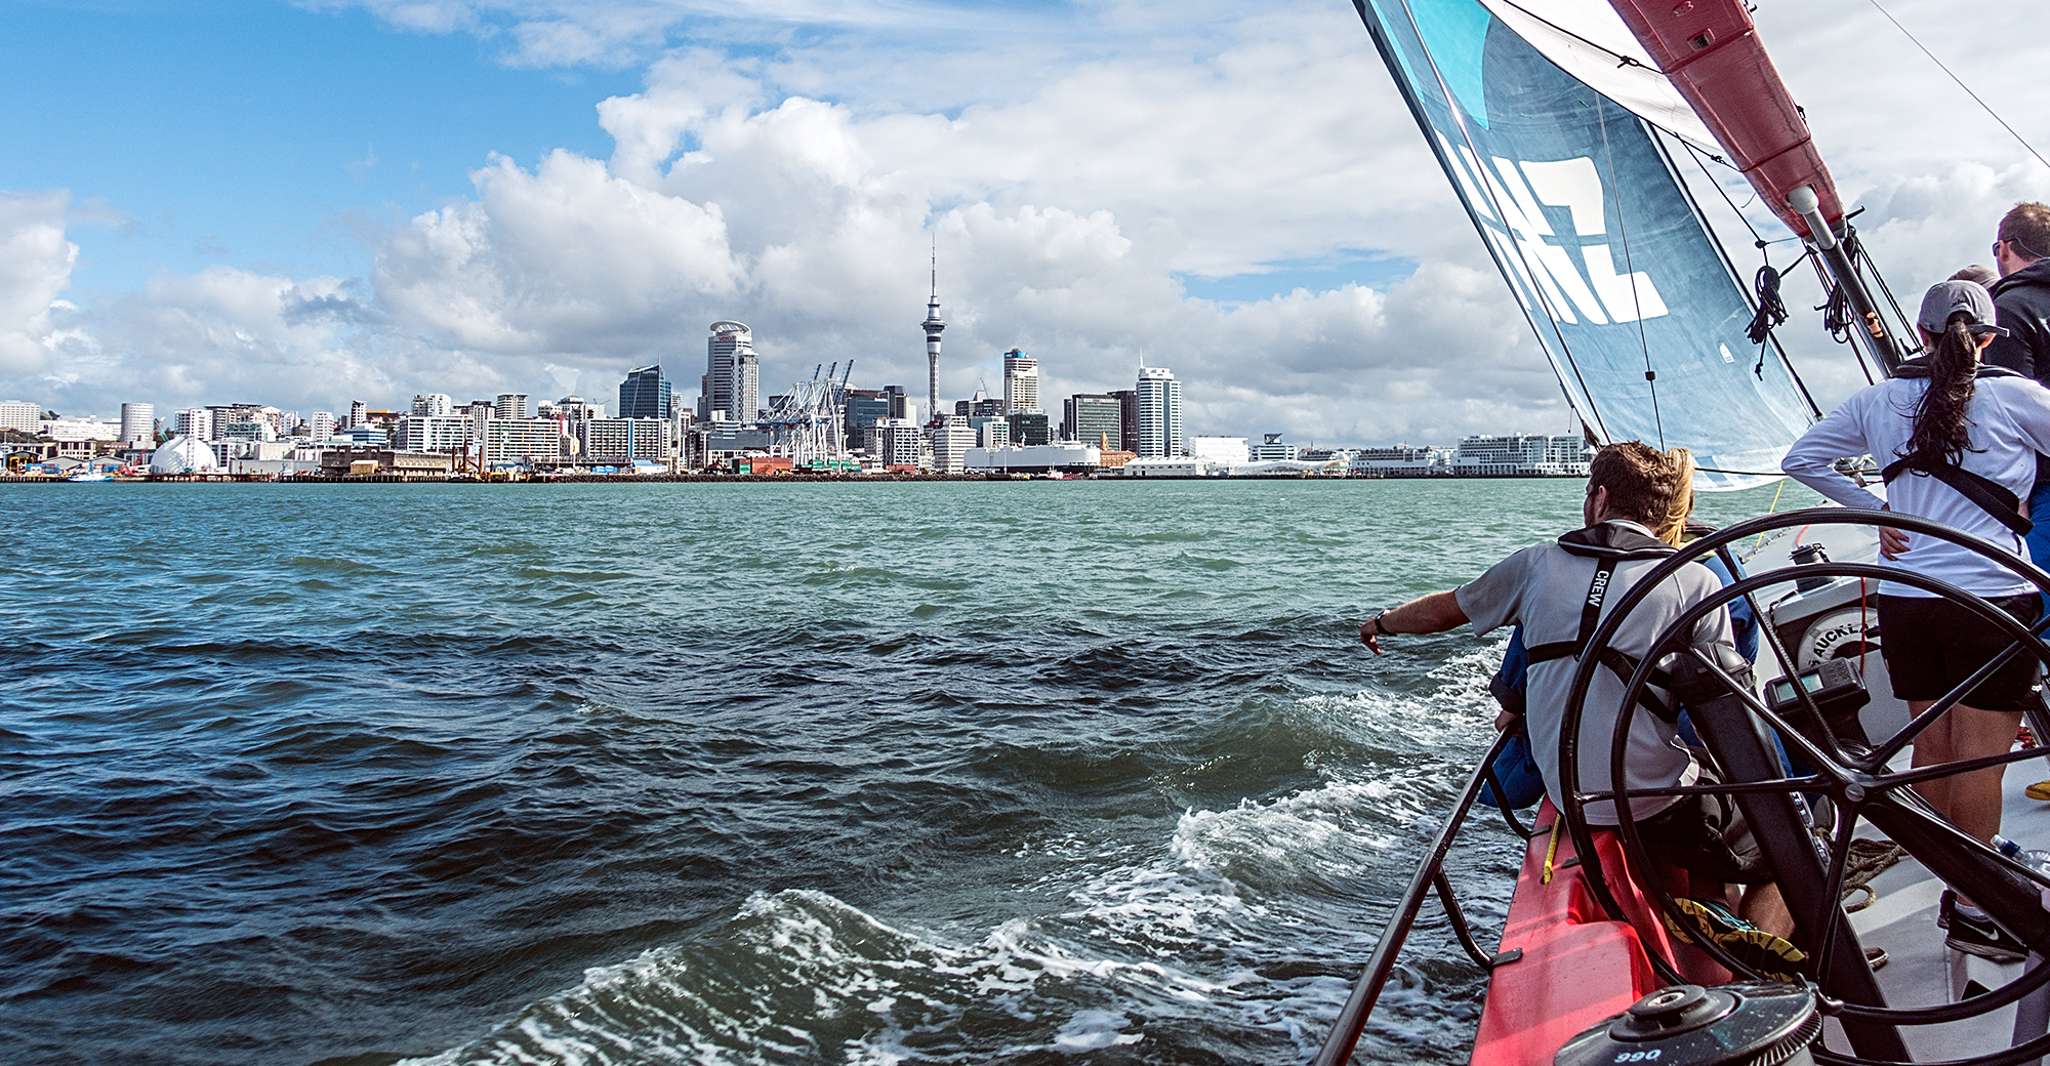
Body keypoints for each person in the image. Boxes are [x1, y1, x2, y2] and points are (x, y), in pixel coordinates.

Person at [1361, 443, 1794, 955]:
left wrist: (1381, 621)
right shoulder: (1695, 581)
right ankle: (1754, 950)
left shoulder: (1534, 566)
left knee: (1708, 819)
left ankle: (1710, 916)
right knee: (1798, 835)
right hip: (1652, 803)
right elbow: (1724, 708)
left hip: (1570, 795)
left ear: (1599, 497)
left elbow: (1443, 612)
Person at [1782, 278, 2050, 962]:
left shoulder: (1877, 400)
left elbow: (1802, 459)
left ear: (1923, 337)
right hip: (1993, 599)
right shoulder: (2018, 396)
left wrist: (1877, 515)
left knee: (1930, 751)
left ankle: (1958, 874)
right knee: (1982, 760)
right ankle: (1974, 903)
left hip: (1909, 600)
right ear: (1990, 338)